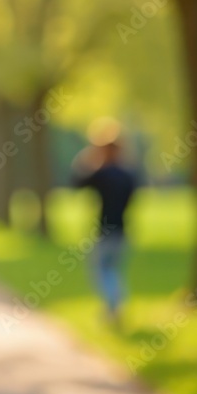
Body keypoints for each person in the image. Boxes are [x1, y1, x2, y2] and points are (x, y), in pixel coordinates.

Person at [71, 120, 138, 327]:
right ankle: (115, 308)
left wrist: (89, 157)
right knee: (114, 270)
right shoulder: (128, 175)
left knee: (101, 270)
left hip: (105, 230)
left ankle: (113, 307)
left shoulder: (102, 174)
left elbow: (77, 181)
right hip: (123, 230)